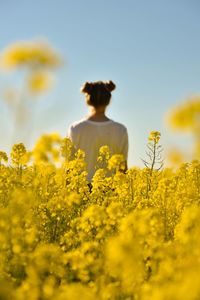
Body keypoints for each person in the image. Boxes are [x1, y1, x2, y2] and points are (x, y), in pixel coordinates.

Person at [67, 80, 129, 184]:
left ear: (88, 100)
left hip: (80, 190)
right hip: (111, 192)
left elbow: (69, 167)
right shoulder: (120, 130)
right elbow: (123, 169)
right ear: (108, 100)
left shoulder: (76, 128)